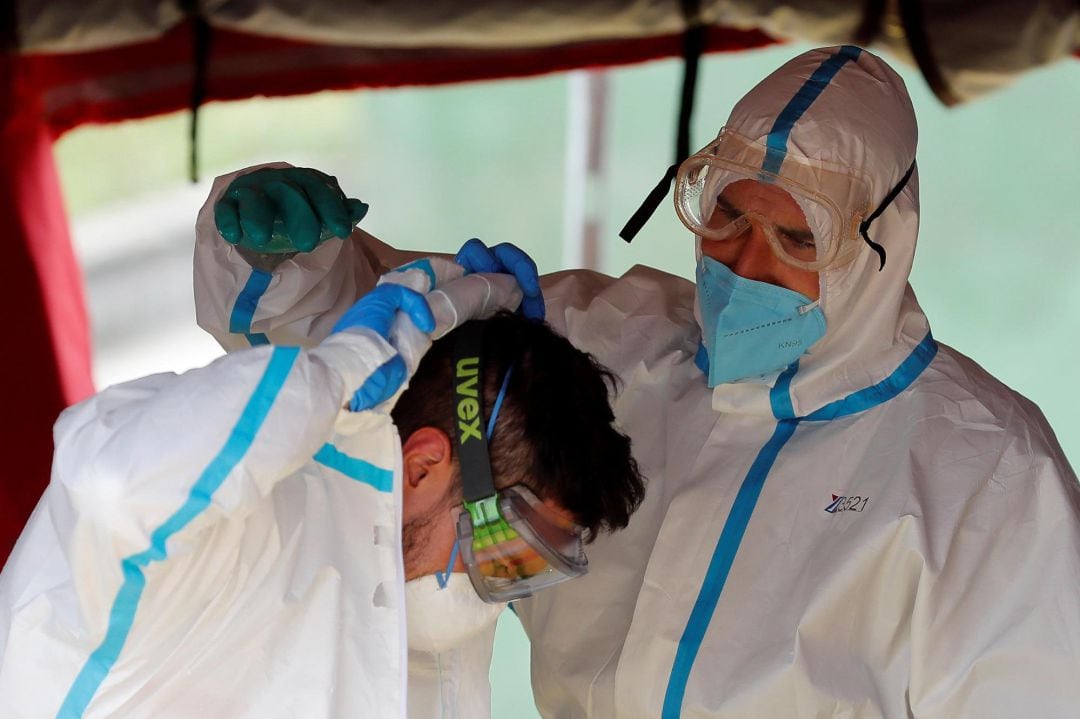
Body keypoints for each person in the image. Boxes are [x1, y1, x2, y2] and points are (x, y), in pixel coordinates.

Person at [191, 46, 1080, 717]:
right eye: (726, 213)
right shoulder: (605, 348)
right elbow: (356, 343)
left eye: (797, 240)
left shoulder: (985, 474)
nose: (743, 264)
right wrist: (290, 255)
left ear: (878, 254)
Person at [0, 260, 646, 718]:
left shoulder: (396, 610)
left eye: (529, 569)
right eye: (508, 549)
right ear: (421, 467)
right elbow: (115, 482)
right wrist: (334, 373)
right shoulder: (239, 534)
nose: (497, 588)